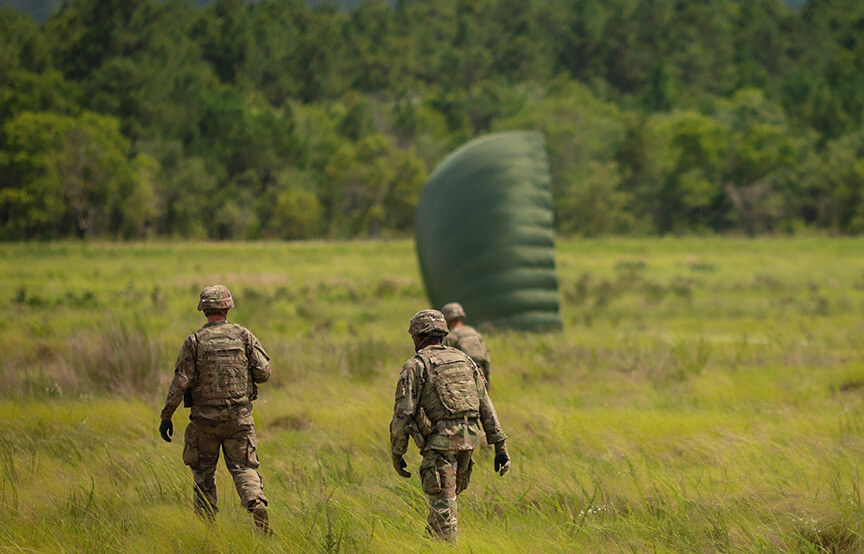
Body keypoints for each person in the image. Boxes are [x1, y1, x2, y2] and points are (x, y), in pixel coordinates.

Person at [158, 285, 272, 533]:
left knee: (203, 474)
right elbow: (264, 373)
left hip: (204, 422)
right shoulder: (243, 336)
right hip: (239, 419)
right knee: (244, 468)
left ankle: (208, 531)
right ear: (228, 308)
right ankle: (256, 502)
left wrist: (167, 416)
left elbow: (180, 383)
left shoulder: (194, 341)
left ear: (203, 310)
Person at [390, 309, 510, 542]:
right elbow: (486, 405)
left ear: (418, 336)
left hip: (440, 445)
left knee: (444, 512)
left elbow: (402, 416)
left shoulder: (416, 365)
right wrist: (500, 446)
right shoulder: (465, 360)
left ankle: (443, 547)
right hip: (469, 443)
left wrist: (397, 453)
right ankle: (430, 546)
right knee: (445, 506)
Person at [441, 302, 491, 383]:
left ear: (447, 319)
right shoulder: (475, 333)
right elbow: (486, 357)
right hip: (481, 373)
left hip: (463, 375)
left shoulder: (450, 337)